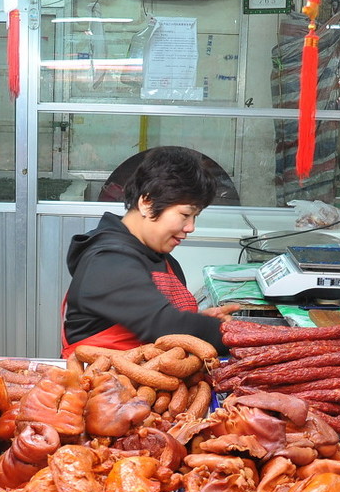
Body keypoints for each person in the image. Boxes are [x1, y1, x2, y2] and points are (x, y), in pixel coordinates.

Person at [61, 146, 241, 359]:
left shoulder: (162, 258)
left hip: (153, 384)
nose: (191, 227)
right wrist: (237, 334)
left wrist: (199, 320)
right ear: (147, 203)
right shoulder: (108, 261)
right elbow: (163, 324)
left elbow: (162, 319)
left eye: (195, 217)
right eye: (185, 214)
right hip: (100, 385)